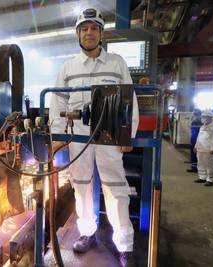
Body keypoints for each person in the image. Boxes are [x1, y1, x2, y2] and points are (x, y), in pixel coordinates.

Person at [49, 7, 139, 266]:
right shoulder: (68, 66)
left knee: (115, 187)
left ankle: (124, 244)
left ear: (101, 34)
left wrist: (127, 134)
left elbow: (128, 99)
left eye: (94, 29)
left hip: (109, 132)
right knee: (81, 184)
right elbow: (57, 101)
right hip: (78, 135)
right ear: (78, 34)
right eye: (84, 29)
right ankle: (88, 233)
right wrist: (58, 134)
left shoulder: (116, 62)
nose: (89, 33)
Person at [194, 110, 213, 186]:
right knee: (200, 163)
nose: (203, 118)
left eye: (205, 117)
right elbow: (199, 137)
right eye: (202, 117)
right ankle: (202, 177)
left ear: (210, 118)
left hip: (208, 150)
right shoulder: (202, 127)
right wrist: (196, 146)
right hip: (200, 148)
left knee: (208, 164)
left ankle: (210, 179)